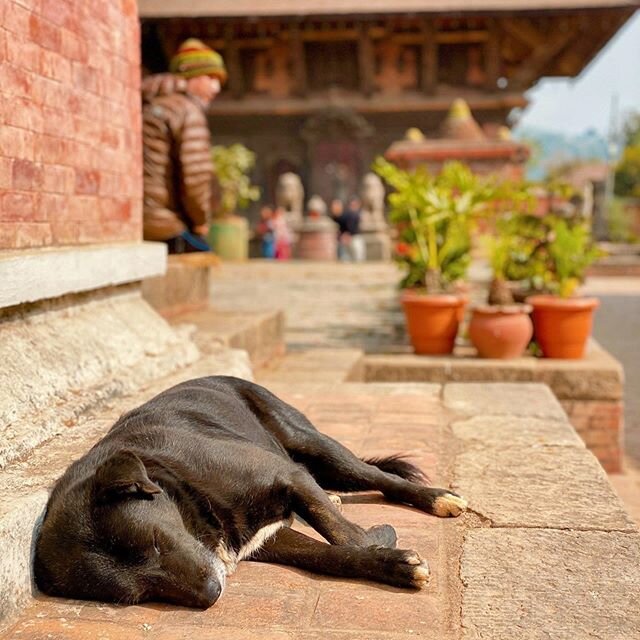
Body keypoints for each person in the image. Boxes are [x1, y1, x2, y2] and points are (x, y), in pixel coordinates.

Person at [141, 39, 227, 253]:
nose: (216, 88)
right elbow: (196, 178)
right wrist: (201, 220)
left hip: (139, 217)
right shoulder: (186, 109)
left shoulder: (151, 103)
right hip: (164, 223)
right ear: (189, 76)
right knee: (203, 254)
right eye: (210, 78)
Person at [332, 197, 366, 262]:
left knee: (358, 257)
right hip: (348, 238)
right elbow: (341, 225)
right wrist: (346, 234)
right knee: (347, 257)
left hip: (355, 237)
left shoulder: (358, 214)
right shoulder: (346, 215)